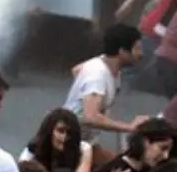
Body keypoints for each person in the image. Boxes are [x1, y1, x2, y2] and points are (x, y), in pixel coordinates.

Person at [63, 24, 148, 161]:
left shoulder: (107, 65)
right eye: (137, 49)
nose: (141, 54)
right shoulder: (97, 75)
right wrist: (129, 127)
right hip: (69, 142)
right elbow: (90, 117)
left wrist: (87, 94)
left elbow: (76, 70)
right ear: (122, 51)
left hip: (86, 141)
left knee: (116, 163)